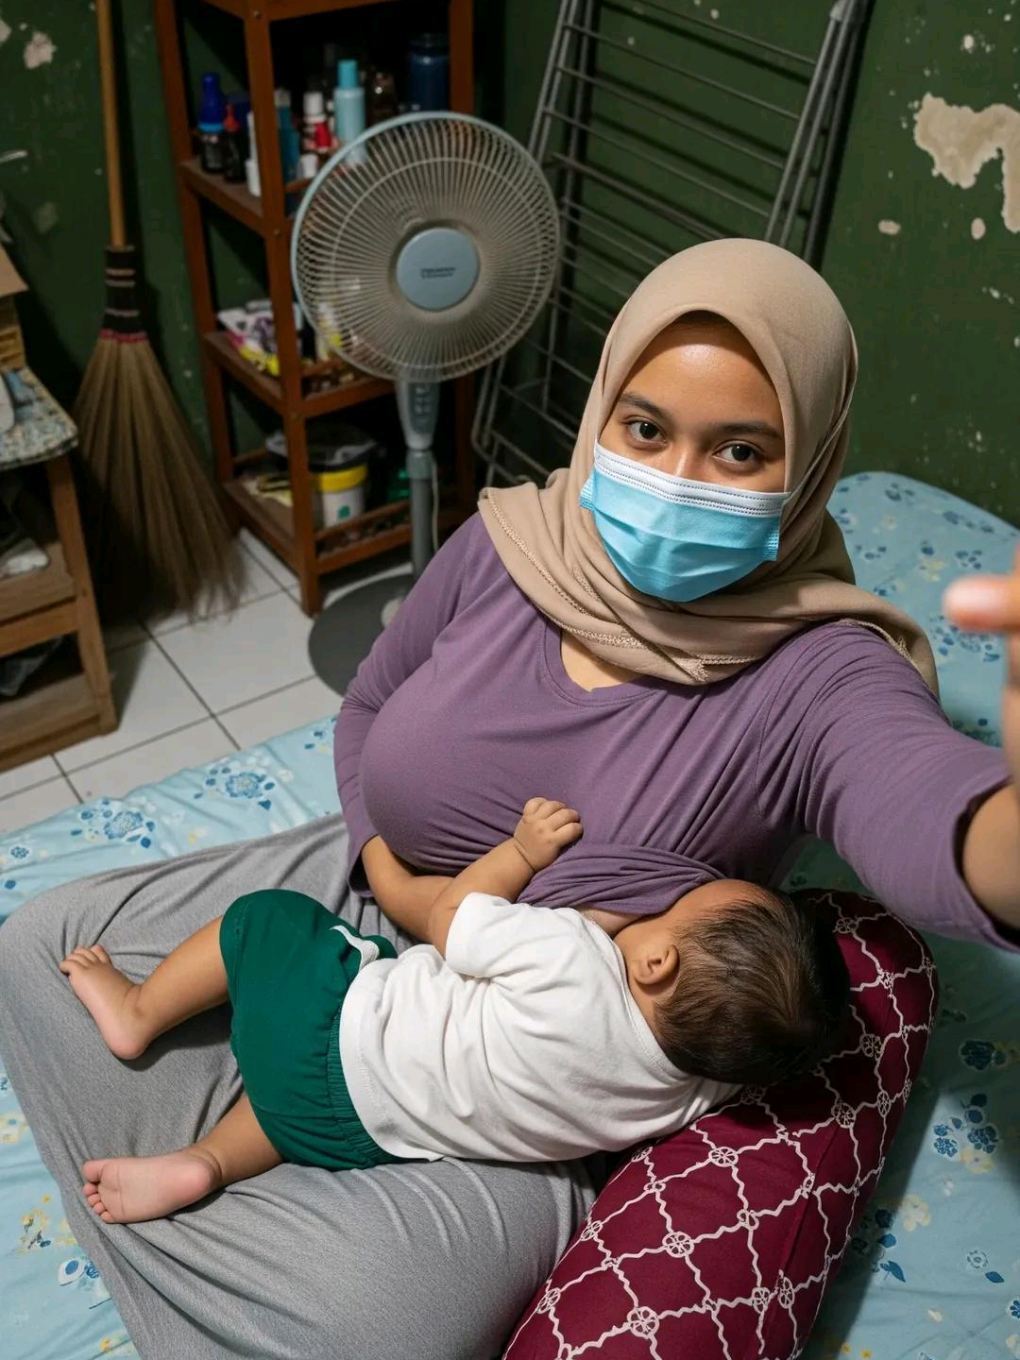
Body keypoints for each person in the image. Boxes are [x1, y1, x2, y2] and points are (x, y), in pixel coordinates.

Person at [1, 238, 1016, 1360]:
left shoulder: (819, 667)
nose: (677, 477)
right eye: (645, 428)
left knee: (373, 1326)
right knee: (40, 944)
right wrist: (383, 862)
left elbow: (930, 818)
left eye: (739, 450)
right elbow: (367, 710)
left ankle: (238, 1178)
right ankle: (235, 1184)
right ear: (601, 416)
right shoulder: (513, 544)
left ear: (813, 461)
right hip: (353, 896)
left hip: (509, 1080)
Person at [59, 797, 850, 1224]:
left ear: (655, 959)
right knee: (288, 1110)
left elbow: (451, 919)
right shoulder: (688, 1092)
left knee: (270, 920)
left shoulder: (570, 957)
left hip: (332, 1027)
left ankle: (136, 1011)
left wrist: (524, 855)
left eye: (684, 904)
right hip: (355, 1132)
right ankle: (210, 1163)